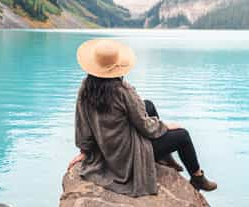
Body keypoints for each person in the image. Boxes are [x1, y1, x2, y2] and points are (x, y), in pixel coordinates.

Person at [67, 38, 217, 196]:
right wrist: (165, 126)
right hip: (128, 155)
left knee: (148, 105)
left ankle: (165, 157)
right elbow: (146, 127)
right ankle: (197, 177)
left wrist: (85, 151)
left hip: (107, 147)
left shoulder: (86, 87)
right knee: (183, 136)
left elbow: (82, 123)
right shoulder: (122, 91)